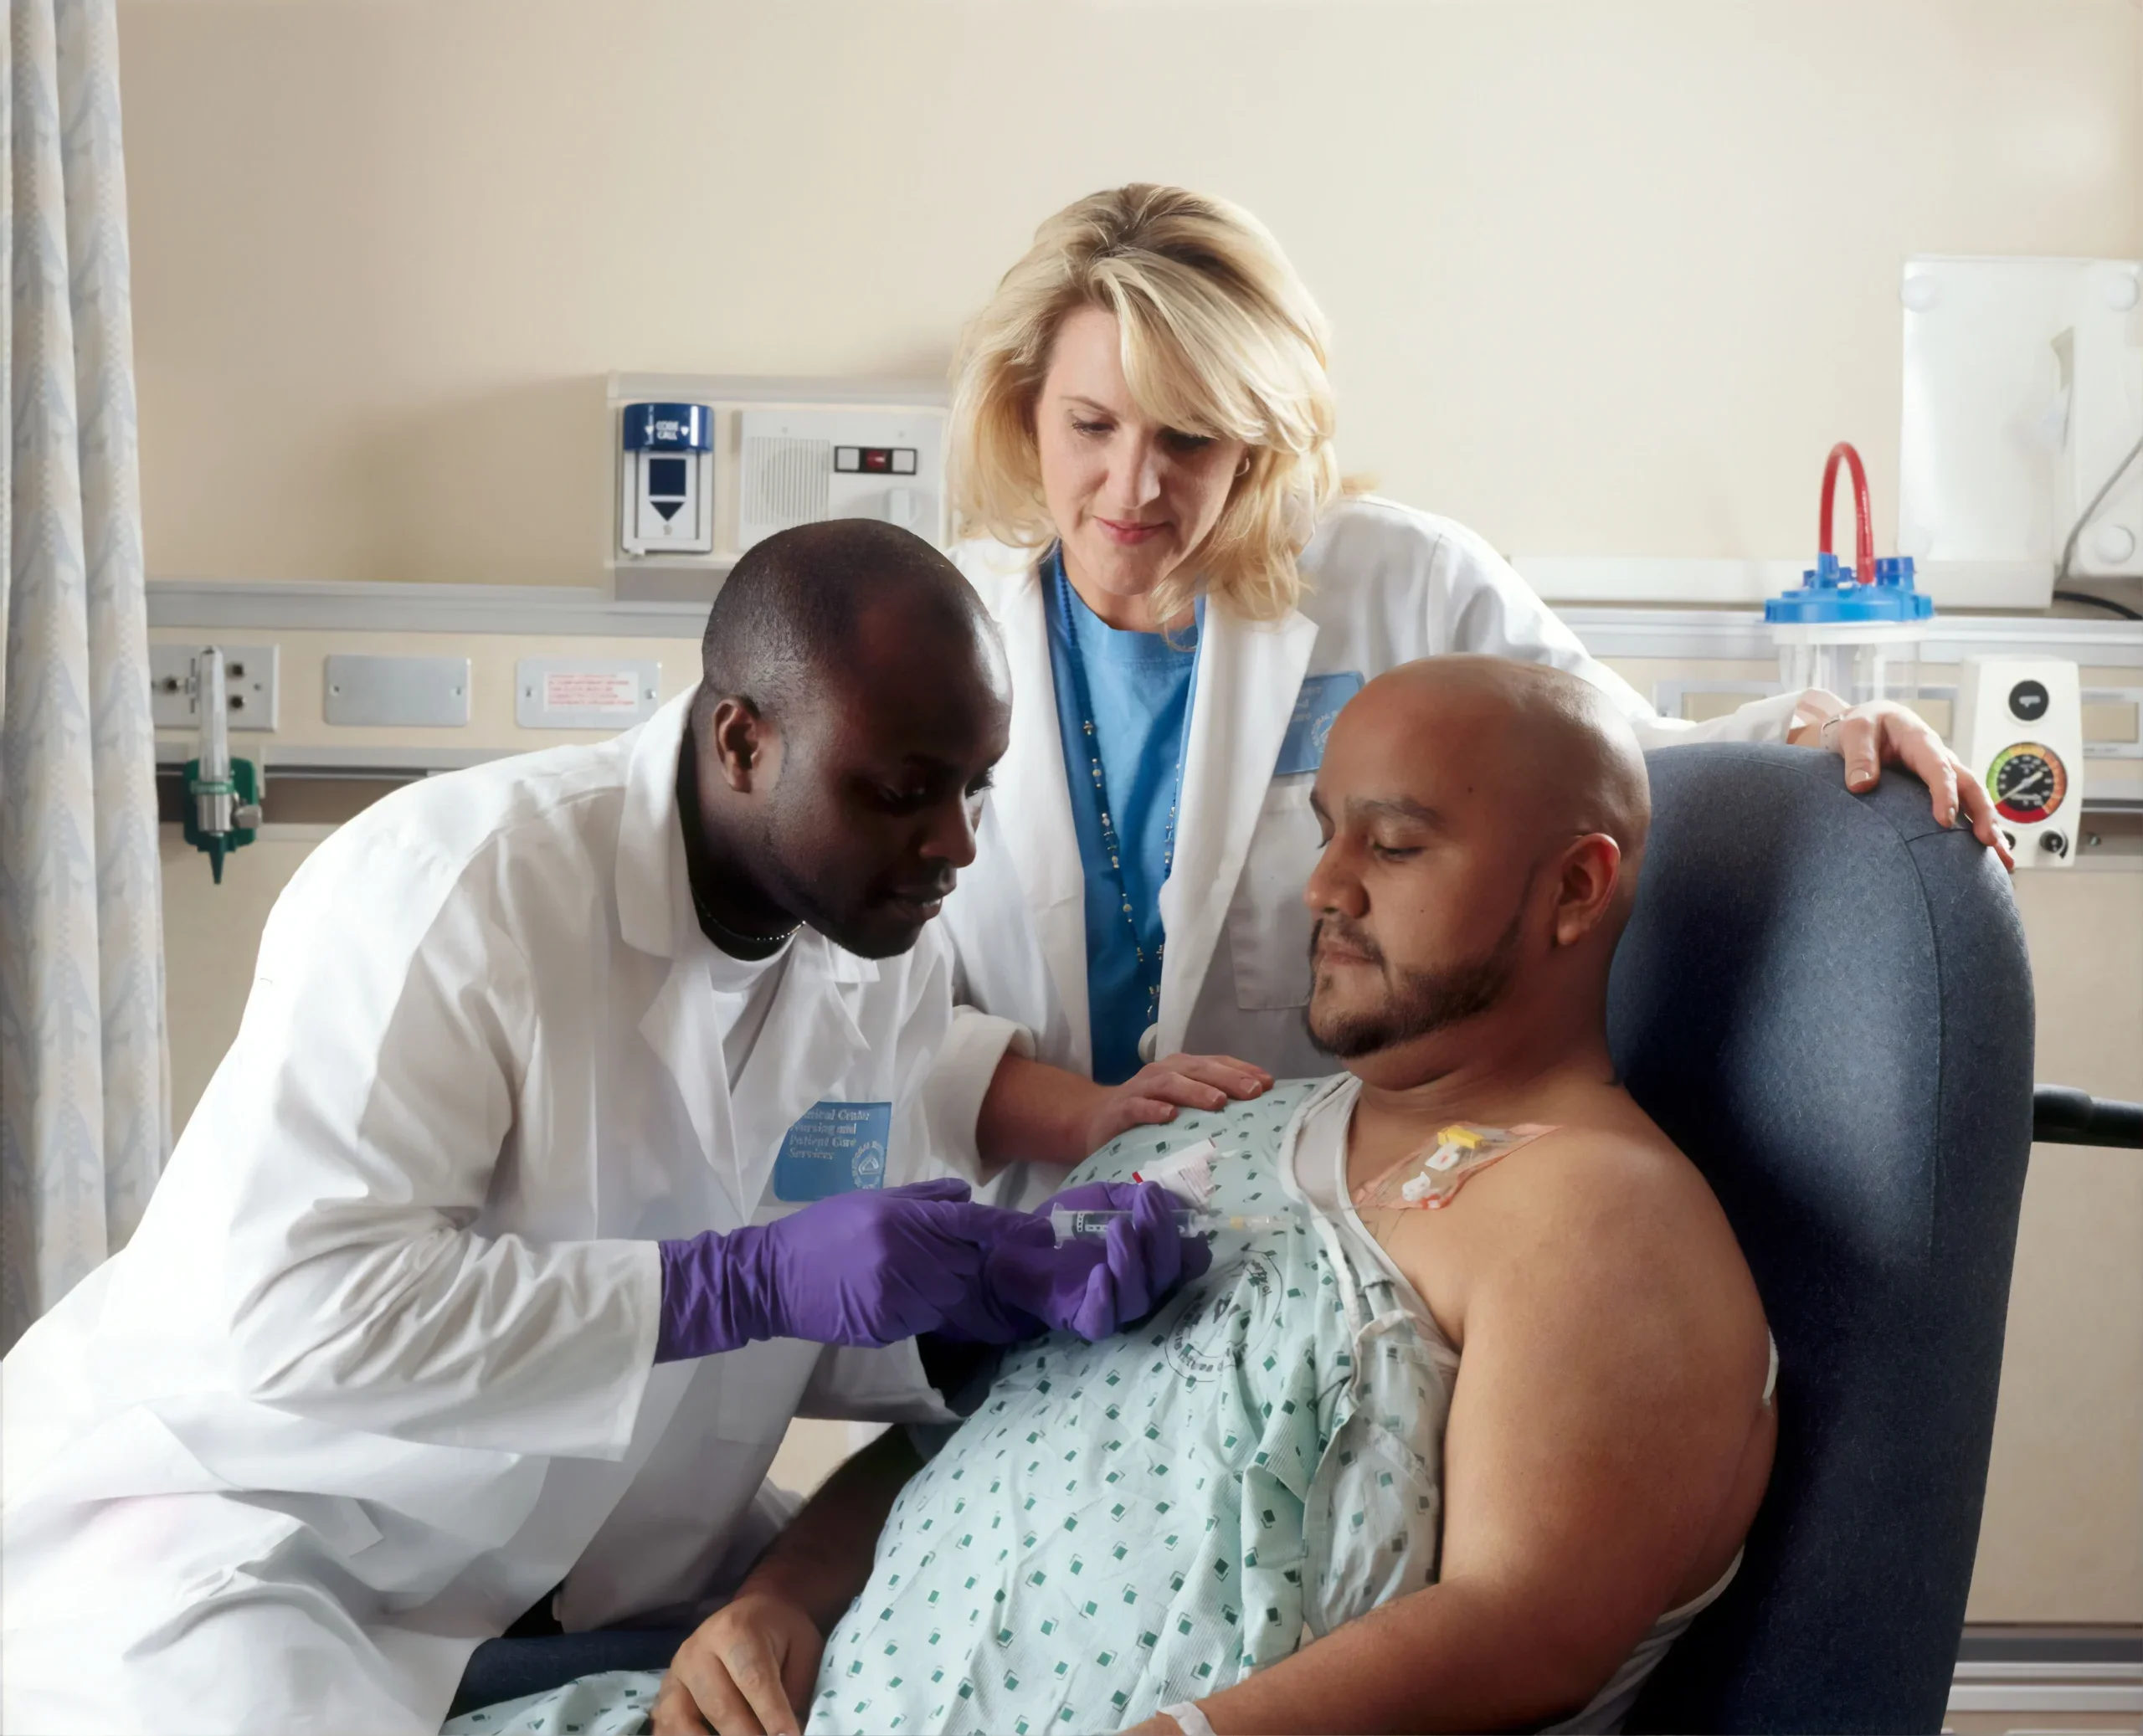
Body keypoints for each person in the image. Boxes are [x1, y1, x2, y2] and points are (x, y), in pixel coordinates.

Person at [0, 521, 1208, 1736]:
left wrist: (981, 1297)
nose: (957, 842)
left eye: (974, 784)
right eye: (903, 790)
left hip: (613, 1563)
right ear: (742, 739)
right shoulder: (458, 888)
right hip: (269, 1528)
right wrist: (735, 1282)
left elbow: (798, 1324)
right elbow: (305, 1313)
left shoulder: (880, 959)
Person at [445, 654, 1776, 1736]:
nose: (1324, 886)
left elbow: (1527, 1624)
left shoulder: (1595, 1211)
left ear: (1577, 888)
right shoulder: (1207, 1133)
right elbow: (953, 1431)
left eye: (1399, 845)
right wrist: (779, 1600)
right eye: (1327, 832)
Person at [942, 183, 2009, 1168]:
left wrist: (1820, 733)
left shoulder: (1402, 580)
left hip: (1317, 1210)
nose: (1134, 484)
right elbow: (872, 1008)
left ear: (1258, 443)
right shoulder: (944, 629)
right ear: (1025, 407)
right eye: (1092, 426)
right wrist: (1085, 1120)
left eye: (1189, 438)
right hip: (1027, 1222)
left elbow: (1620, 768)